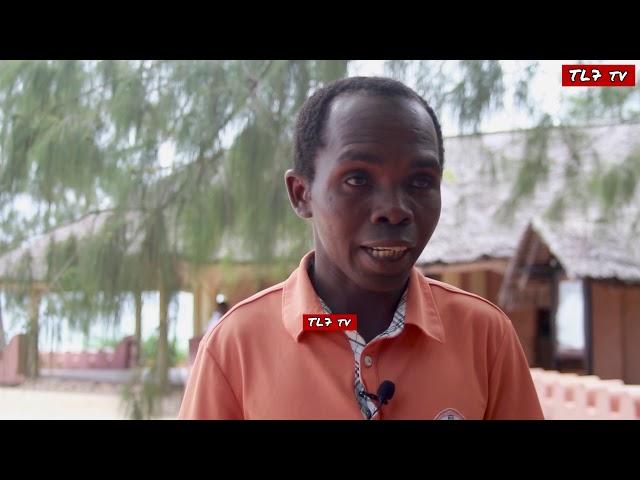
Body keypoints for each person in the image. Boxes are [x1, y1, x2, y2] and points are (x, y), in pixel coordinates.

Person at [179, 76, 544, 420]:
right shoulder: (237, 346)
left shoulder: (484, 337)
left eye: (420, 181)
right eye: (358, 179)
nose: (394, 209)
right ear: (301, 194)